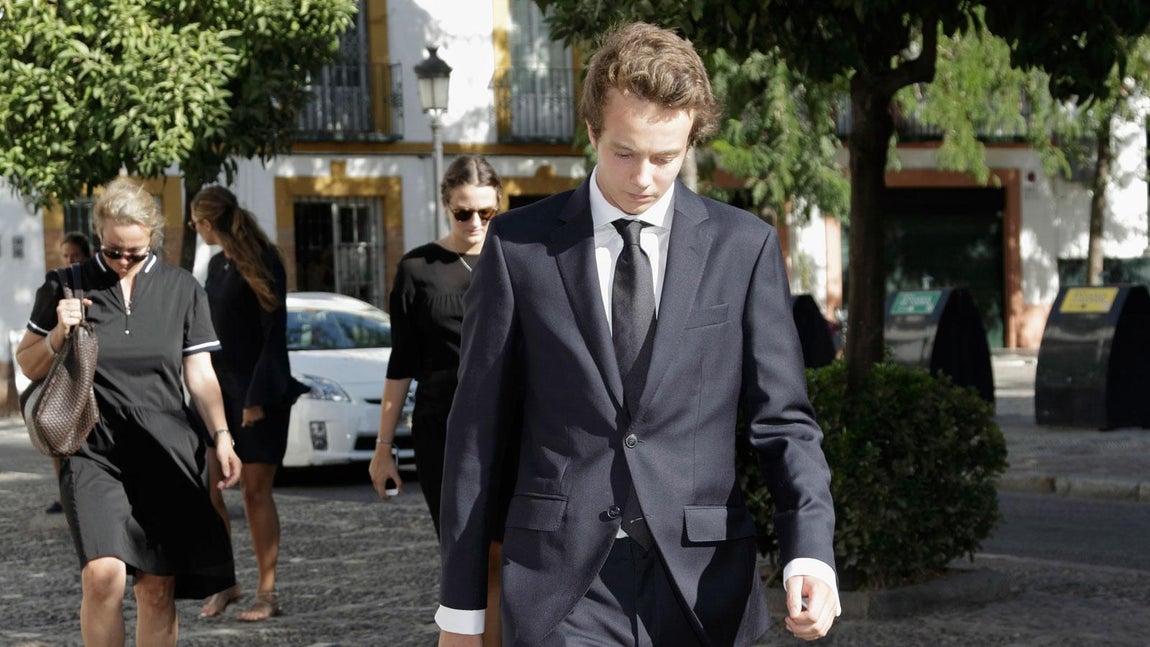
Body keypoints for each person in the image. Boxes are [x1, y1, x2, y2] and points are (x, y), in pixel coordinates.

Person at [435, 22, 840, 647]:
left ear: (691, 140)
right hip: (560, 586)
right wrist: (461, 614)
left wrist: (810, 552)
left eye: (666, 157)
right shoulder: (518, 248)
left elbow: (783, 420)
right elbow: (475, 435)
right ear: (592, 132)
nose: (644, 177)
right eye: (624, 152)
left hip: (704, 584)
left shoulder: (745, 247)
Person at [16, 178, 241, 646]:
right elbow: (28, 362)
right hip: (91, 447)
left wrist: (222, 435)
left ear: (152, 238)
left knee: (157, 587)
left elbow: (199, 374)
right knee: (102, 577)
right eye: (114, 251)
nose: (123, 262)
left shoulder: (181, 288)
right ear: (99, 235)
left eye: (134, 253)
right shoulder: (66, 284)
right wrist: (59, 331)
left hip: (165, 448)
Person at [369, 154, 511, 647]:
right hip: (442, 431)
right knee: (464, 554)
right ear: (446, 206)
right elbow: (401, 363)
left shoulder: (519, 260)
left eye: (487, 213)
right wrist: (383, 447)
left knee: (502, 552)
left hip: (513, 426)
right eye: (463, 212)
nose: (475, 223)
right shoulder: (418, 270)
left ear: (500, 206)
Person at [189, 186, 308, 622]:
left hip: (260, 397)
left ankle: (268, 592)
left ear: (206, 223)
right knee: (211, 492)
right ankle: (226, 581)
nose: (194, 230)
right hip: (217, 399)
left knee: (255, 493)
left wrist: (256, 400)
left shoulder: (263, 259)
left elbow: (273, 334)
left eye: (194, 223)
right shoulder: (217, 264)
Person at [44, 231, 92, 515]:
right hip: (59, 368)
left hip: (84, 368)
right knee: (55, 435)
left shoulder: (91, 286)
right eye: (66, 255)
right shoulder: (55, 285)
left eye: (75, 255)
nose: (70, 260)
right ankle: (64, 494)